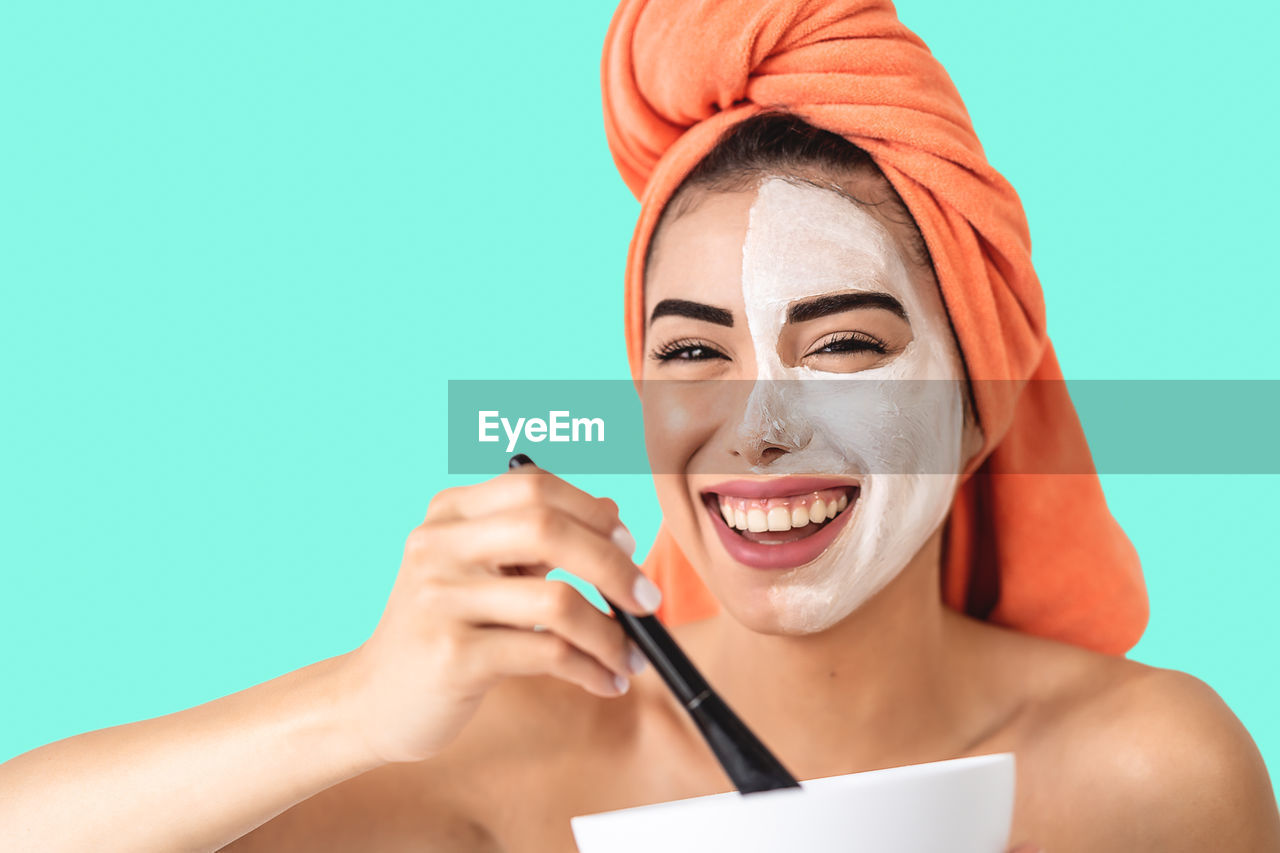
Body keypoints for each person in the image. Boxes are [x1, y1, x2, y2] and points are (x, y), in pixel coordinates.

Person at [2, 2, 1277, 851]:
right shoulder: (512, 756)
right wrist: (356, 706)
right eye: (690, 351)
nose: (754, 429)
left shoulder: (1147, 774)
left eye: (840, 344)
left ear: (977, 392)